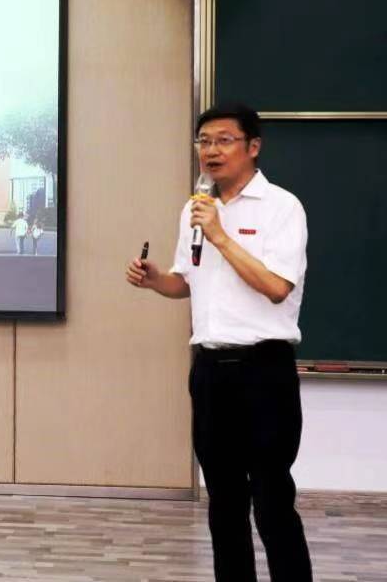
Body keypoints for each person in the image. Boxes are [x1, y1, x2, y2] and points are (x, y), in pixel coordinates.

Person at [125, 104, 313, 582]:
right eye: (204, 140)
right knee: (223, 502)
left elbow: (276, 287)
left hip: (264, 370)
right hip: (210, 371)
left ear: (253, 147)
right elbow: (186, 282)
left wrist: (221, 235)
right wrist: (156, 279)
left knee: (271, 500)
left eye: (224, 140)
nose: (211, 150)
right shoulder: (195, 208)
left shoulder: (282, 207)